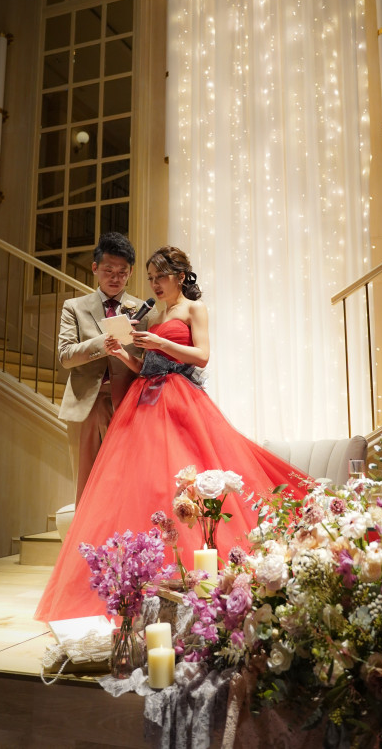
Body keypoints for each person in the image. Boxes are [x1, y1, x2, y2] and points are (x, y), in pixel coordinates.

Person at [35, 246, 309, 623]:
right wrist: (121, 354)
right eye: (150, 278)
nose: (154, 284)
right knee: (143, 487)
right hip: (145, 397)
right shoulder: (157, 314)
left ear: (179, 276)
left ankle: (196, 578)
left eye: (159, 277)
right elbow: (145, 366)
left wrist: (160, 343)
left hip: (179, 399)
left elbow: (202, 355)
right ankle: (136, 583)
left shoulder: (195, 308)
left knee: (186, 481)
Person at [58, 232, 146, 506]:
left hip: (130, 405)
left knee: (127, 483)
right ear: (95, 268)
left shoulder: (144, 310)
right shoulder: (74, 307)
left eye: (122, 271)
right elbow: (65, 356)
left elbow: (148, 364)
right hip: (87, 404)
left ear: (130, 273)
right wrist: (101, 343)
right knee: (86, 486)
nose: (115, 277)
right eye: (109, 270)